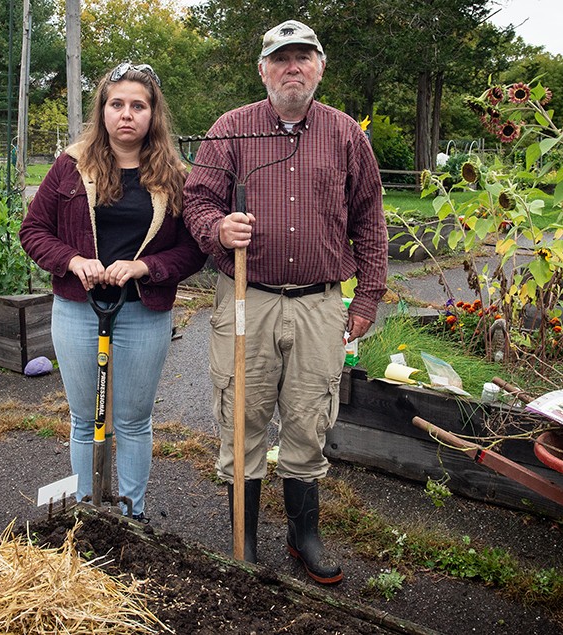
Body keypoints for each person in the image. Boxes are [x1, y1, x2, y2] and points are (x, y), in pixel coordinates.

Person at [182, 20, 387, 583]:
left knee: (308, 418)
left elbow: (370, 220)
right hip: (248, 297)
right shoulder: (232, 130)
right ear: (263, 69)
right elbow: (196, 199)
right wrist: (218, 228)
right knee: (241, 414)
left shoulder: (346, 135)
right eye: (280, 58)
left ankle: (303, 535)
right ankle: (242, 539)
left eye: (303, 57)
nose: (291, 67)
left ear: (320, 66)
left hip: (321, 303)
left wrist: (366, 298)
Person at [20, 62, 206, 522]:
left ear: (153, 114)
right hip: (79, 309)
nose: (127, 114)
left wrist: (146, 266)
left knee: (133, 421)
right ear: (102, 110)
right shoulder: (70, 166)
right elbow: (34, 231)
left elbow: (193, 250)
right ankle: (88, 516)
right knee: (85, 419)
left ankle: (132, 518)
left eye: (138, 106)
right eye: (116, 104)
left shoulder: (175, 176)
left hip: (143, 311)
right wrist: (72, 260)